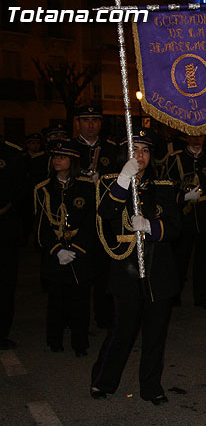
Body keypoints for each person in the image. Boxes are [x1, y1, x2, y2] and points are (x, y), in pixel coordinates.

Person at [90, 129, 180, 405]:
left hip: (158, 269)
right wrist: (123, 180)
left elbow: (176, 226)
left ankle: (151, 386)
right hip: (125, 267)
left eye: (144, 150)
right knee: (122, 330)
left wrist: (151, 227)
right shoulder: (109, 182)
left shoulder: (164, 185)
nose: (139, 156)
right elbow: (105, 214)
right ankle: (103, 380)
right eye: (134, 150)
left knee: (155, 333)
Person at [34, 137, 97, 356]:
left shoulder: (87, 187)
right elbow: (41, 227)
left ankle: (80, 344)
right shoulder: (44, 189)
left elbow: (91, 223)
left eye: (62, 157)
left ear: (73, 160)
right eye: (54, 157)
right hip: (56, 253)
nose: (57, 161)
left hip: (80, 252)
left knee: (80, 301)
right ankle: (55, 340)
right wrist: (57, 250)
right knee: (56, 300)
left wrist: (77, 249)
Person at [72, 105, 118, 329]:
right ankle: (75, 320)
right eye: (86, 120)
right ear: (78, 123)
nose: (91, 125)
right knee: (77, 272)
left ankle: (104, 316)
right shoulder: (70, 148)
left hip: (104, 219)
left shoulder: (110, 148)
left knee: (104, 271)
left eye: (95, 120)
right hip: (77, 220)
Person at [166, 134, 206, 310]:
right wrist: (184, 197)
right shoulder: (177, 158)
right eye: (193, 135)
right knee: (180, 257)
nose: (197, 139)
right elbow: (170, 186)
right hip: (184, 214)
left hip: (205, 213)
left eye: (200, 135)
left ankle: (202, 297)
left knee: (205, 258)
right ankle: (174, 295)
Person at [0, 137, 27, 350]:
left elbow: (20, 189)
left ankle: (1, 333)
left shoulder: (11, 153)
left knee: (5, 283)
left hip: (4, 226)